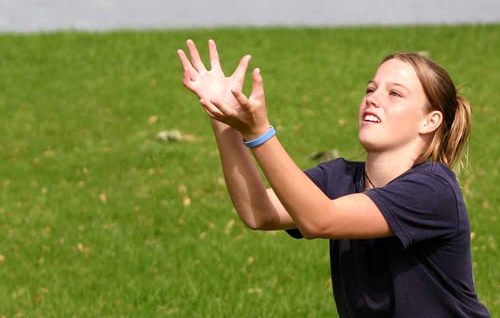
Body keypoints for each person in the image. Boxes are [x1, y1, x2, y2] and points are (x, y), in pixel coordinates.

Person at [177, 39, 490, 317]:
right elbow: (259, 212)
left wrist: (259, 133)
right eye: (371, 88)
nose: (373, 98)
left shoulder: (432, 189)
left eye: (395, 93)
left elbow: (320, 220)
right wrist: (223, 117)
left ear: (430, 121)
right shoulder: (338, 177)